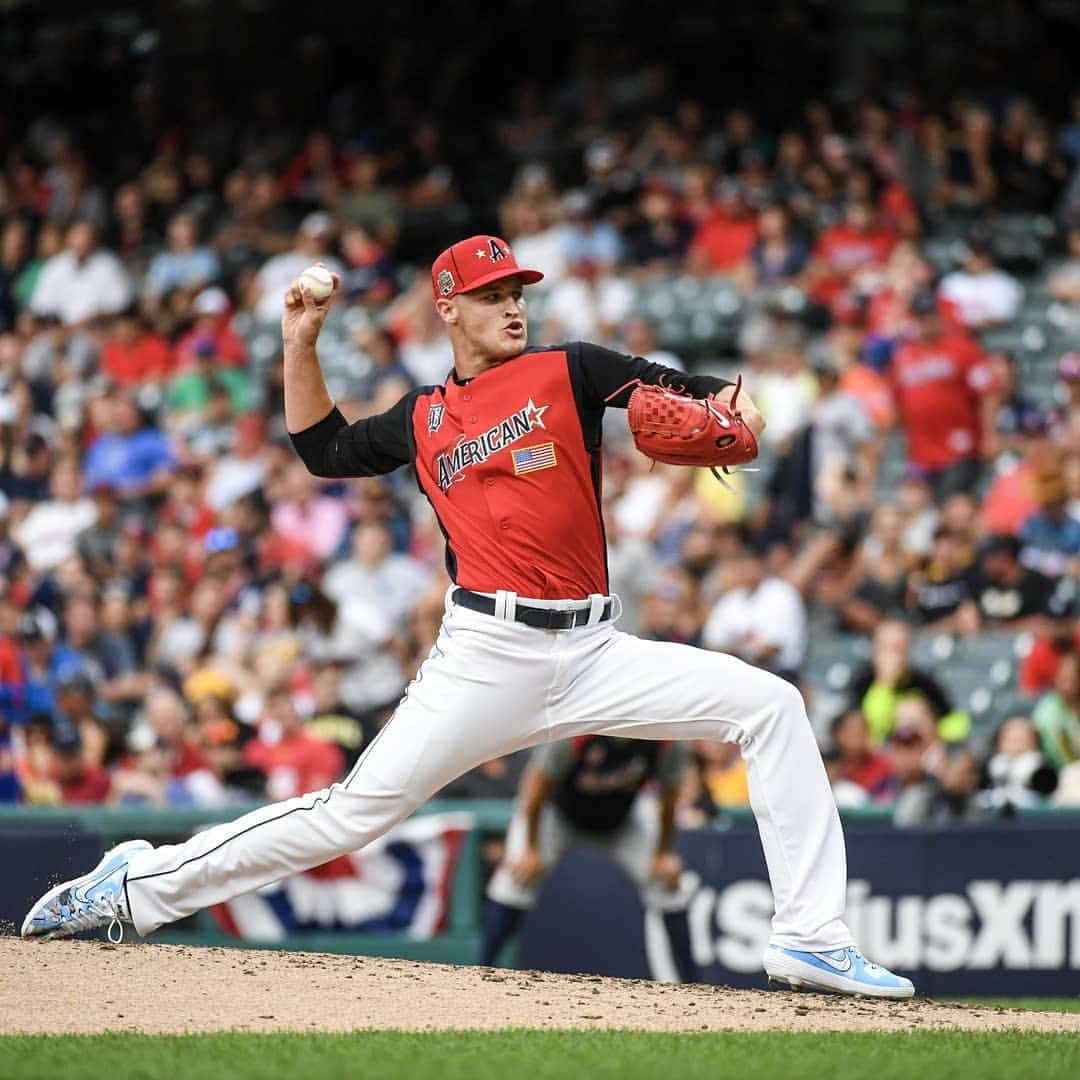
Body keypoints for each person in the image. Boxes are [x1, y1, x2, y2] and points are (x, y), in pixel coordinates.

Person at [23, 233, 913, 999]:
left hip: (597, 648)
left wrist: (732, 401)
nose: (512, 306)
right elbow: (323, 450)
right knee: (350, 814)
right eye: (490, 296)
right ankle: (134, 886)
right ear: (448, 308)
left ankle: (809, 934)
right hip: (487, 655)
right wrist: (302, 342)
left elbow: (696, 390)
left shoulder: (571, 369)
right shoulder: (423, 416)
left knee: (773, 706)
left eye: (517, 290)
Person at [480, 735, 699, 983]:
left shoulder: (665, 737)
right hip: (557, 813)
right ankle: (480, 972)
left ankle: (694, 986)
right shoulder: (579, 729)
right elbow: (535, 785)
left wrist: (662, 854)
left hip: (623, 818)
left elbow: (669, 797)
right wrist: (530, 848)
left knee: (667, 886)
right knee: (514, 882)